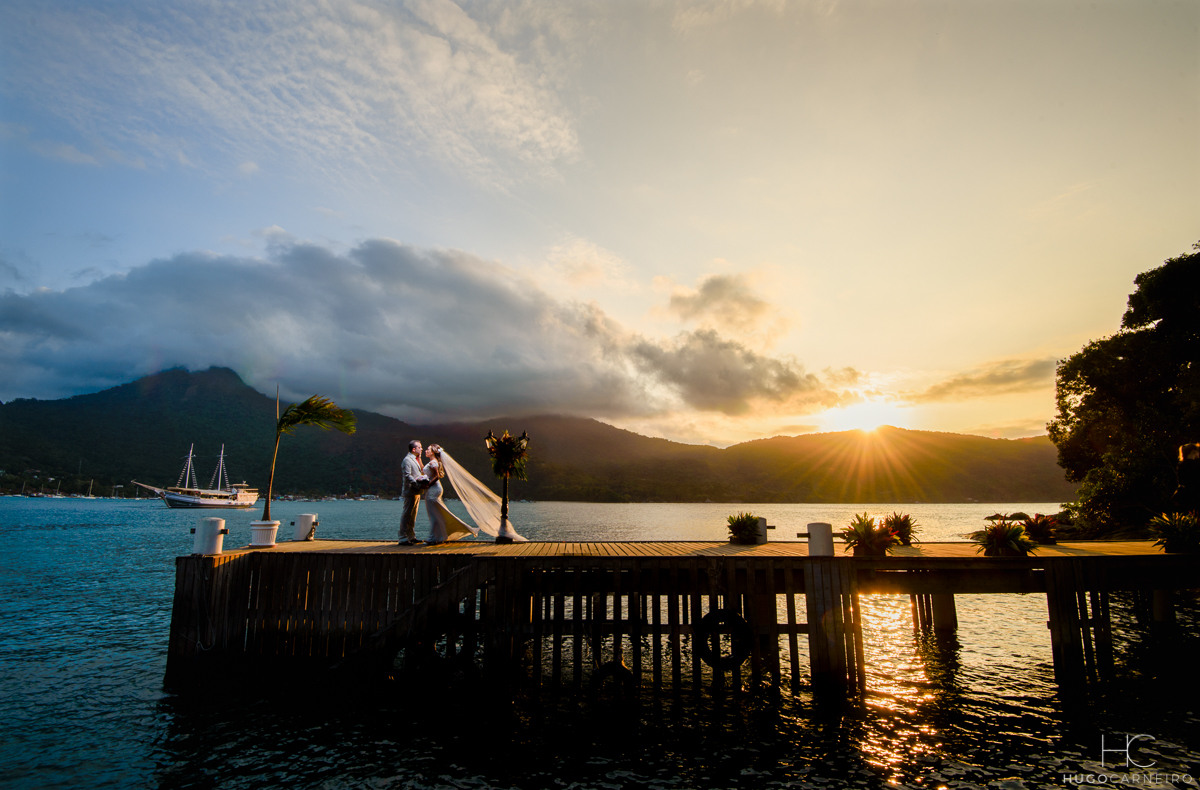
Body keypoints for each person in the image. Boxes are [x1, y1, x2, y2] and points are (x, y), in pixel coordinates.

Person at [422, 445, 479, 543]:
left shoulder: (433, 462)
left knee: (434, 515)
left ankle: (432, 538)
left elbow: (436, 477)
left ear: (433, 452)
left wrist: (427, 485)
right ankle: (438, 537)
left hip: (433, 489)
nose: (426, 450)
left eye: (428, 449)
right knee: (439, 514)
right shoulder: (433, 462)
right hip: (434, 489)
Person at [398, 439, 428, 546]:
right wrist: (418, 484)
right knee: (407, 514)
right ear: (414, 449)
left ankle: (411, 536)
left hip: (416, 491)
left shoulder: (415, 459)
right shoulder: (407, 460)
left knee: (413, 515)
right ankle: (402, 537)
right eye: (420, 447)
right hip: (410, 491)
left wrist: (419, 458)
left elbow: (421, 471)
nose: (422, 449)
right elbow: (407, 476)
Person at [1175, 443, 1200, 514]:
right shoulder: (1196, 464)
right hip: (1196, 495)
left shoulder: (1181, 464)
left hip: (1184, 496)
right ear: (1193, 451)